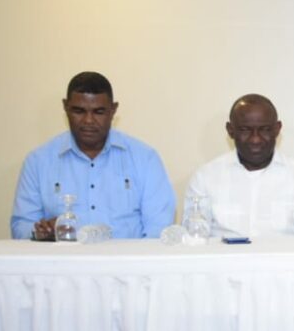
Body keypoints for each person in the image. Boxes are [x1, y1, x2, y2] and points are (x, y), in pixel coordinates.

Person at [11, 71, 176, 240]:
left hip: (126, 257)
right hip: (62, 257)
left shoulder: (145, 159)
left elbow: (158, 230)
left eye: (98, 112)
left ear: (113, 110)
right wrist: (39, 232)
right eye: (79, 111)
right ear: (65, 107)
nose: (88, 120)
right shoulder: (38, 162)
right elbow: (21, 227)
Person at [185, 94, 294, 238]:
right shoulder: (204, 178)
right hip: (223, 253)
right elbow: (194, 239)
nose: (255, 139)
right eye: (245, 130)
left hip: (284, 254)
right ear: (230, 130)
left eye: (264, 129)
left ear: (277, 129)